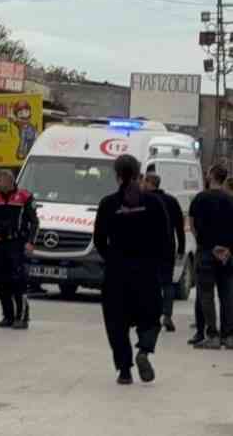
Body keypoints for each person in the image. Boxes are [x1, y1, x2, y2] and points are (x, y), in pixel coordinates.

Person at [93, 154, 172, 385]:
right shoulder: (154, 203)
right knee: (150, 316)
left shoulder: (108, 204)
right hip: (146, 272)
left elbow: (99, 239)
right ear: (139, 175)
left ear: (117, 176)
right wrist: (157, 263)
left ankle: (125, 370)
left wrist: (112, 258)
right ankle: (144, 351)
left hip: (117, 273)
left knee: (116, 322)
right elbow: (165, 238)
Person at [0, 170, 39, 330]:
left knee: (18, 280)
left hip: (17, 243)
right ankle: (7, 315)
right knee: (0, 279)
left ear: (9, 181)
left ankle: (22, 316)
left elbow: (35, 222)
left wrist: (30, 242)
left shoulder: (25, 197)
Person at [187, 164, 233, 350]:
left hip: (206, 252)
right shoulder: (230, 201)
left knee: (206, 295)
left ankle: (212, 334)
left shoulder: (200, 199)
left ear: (212, 176)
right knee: (227, 295)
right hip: (227, 255)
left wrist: (207, 245)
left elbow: (192, 225)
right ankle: (228, 336)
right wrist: (227, 249)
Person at [141, 173, 186, 333]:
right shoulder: (171, 201)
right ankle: (167, 315)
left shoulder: (143, 200)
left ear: (149, 183)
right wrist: (181, 247)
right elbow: (180, 226)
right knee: (167, 283)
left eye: (144, 181)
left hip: (146, 248)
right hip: (167, 247)